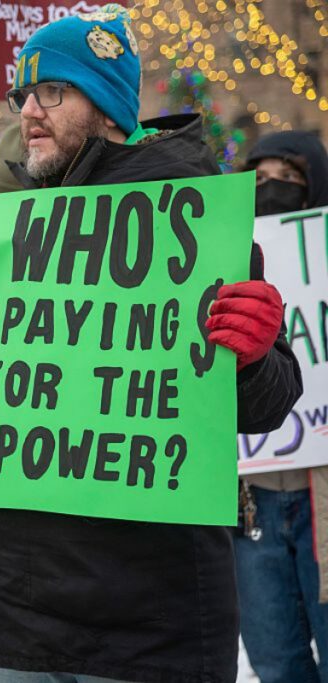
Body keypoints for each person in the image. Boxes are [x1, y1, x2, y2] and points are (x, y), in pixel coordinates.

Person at [0, 5, 304, 682]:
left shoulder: (191, 211)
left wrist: (255, 353)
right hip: (17, 621)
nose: (30, 109)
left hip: (148, 627)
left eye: (53, 91)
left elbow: (267, 404)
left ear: (109, 101)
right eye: (24, 94)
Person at [234, 130, 328, 683]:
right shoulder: (227, 258)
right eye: (261, 180)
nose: (273, 191)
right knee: (275, 660)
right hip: (253, 502)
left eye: (290, 180)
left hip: (320, 496)